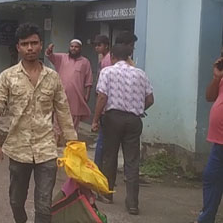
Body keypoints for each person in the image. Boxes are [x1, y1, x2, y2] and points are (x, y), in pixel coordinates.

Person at [0, 23, 77, 223]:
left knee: (44, 207)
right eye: (25, 44)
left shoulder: (53, 77)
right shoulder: (8, 77)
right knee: (16, 202)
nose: (30, 48)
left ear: (40, 44)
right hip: (18, 150)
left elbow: (63, 111)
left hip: (46, 150)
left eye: (34, 43)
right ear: (18, 47)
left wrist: (74, 145)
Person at [91, 44, 154, 215]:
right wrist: (137, 109)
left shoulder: (108, 72)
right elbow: (150, 99)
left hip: (113, 118)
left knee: (109, 157)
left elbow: (102, 96)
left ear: (112, 57)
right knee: (132, 160)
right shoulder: (141, 73)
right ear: (129, 56)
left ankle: (107, 194)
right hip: (134, 120)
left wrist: (95, 119)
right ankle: (133, 203)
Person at [45, 39, 93, 132]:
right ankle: (58, 144)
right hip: (61, 97)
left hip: (76, 99)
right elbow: (50, 56)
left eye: (76, 47)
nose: (73, 48)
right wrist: (49, 50)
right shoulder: (62, 58)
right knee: (57, 126)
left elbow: (88, 82)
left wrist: (87, 96)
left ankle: (69, 145)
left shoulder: (85, 62)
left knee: (72, 128)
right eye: (72, 46)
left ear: (80, 48)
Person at [196, 55, 223, 223]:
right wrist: (216, 77)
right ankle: (206, 219)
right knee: (211, 178)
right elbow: (209, 96)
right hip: (218, 142)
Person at [93, 34, 112, 168]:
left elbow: (104, 88)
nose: (97, 48)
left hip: (105, 101)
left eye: (99, 45)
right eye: (96, 45)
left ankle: (99, 165)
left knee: (103, 138)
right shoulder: (104, 59)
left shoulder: (107, 60)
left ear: (106, 45)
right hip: (103, 98)